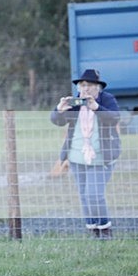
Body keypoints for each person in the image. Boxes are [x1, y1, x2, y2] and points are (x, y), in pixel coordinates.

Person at [50, 69, 121, 238]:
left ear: (98, 87)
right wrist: (59, 110)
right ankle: (92, 229)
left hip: (102, 156)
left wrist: (96, 107)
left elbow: (115, 118)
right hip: (76, 156)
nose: (86, 89)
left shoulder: (107, 100)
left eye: (90, 85)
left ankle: (104, 229)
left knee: (94, 194)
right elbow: (57, 122)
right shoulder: (74, 103)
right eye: (82, 85)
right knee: (84, 194)